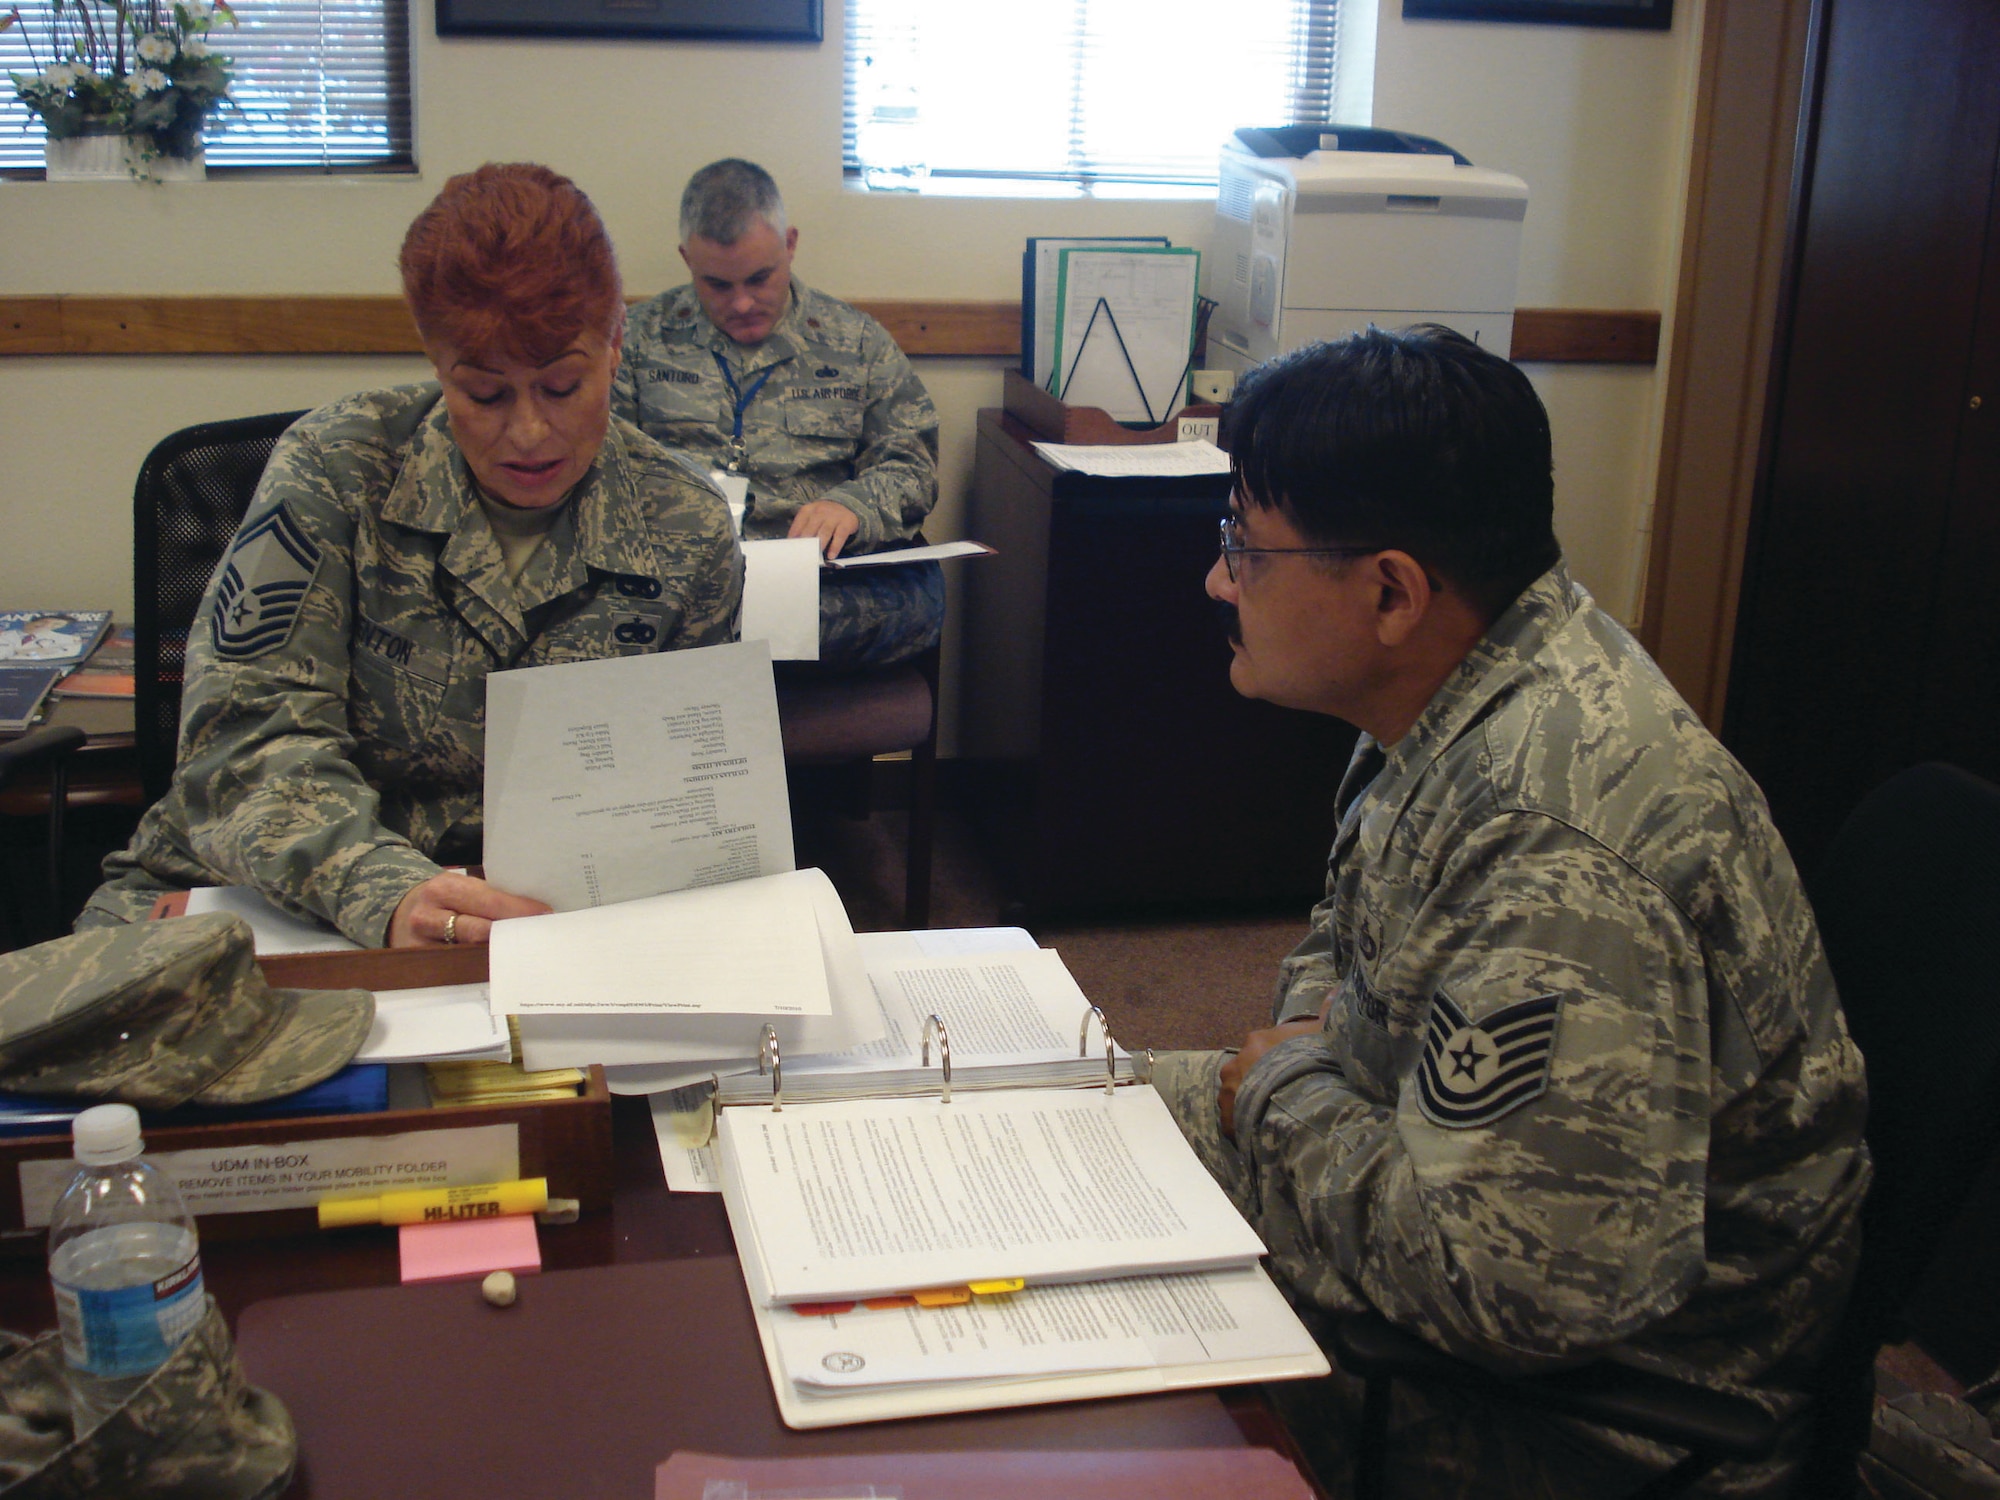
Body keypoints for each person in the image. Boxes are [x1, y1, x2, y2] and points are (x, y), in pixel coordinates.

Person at [1149, 326, 1870, 1497]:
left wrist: (1281, 1091)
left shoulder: (1556, 845)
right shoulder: (1459, 687)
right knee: (1082, 1113)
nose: (1217, 578)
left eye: (1244, 543)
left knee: (1096, 1391)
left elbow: (1521, 1293)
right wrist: (1302, 1076)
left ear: (1390, 591)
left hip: (1584, 1420)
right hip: (1413, 1161)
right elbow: (1349, 942)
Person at [78, 163, 742, 950]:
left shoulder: (686, 528)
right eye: (486, 395)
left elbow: (685, 797)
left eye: (563, 386)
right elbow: (241, 744)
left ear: (615, 344)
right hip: (274, 898)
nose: (529, 432)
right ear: (434, 360)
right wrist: (385, 893)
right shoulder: (336, 473)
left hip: (544, 927)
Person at [612, 158, 943, 670]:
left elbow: (912, 465)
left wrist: (853, 505)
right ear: (686, 260)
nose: (742, 303)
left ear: (789, 244)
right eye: (718, 285)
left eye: (759, 278)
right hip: (678, 575)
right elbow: (599, 464)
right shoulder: (638, 339)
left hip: (814, 577)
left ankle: (724, 650)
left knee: (918, 601)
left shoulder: (854, 341)